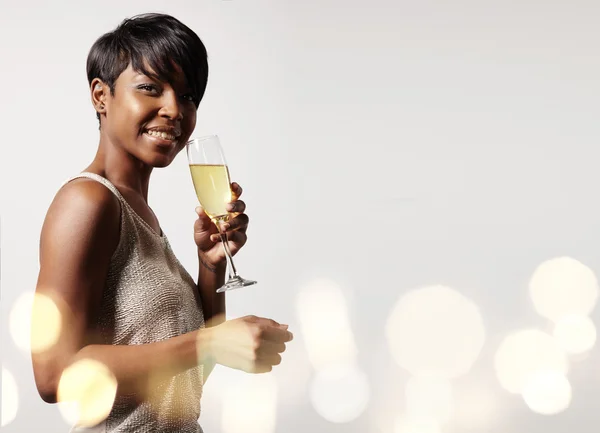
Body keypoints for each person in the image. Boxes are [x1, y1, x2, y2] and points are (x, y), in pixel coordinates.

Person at [31, 13, 293, 433]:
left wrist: (210, 265)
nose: (174, 110)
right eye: (150, 88)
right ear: (101, 95)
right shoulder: (87, 201)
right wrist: (209, 341)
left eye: (188, 96)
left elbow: (184, 383)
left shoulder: (142, 216)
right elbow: (54, 375)